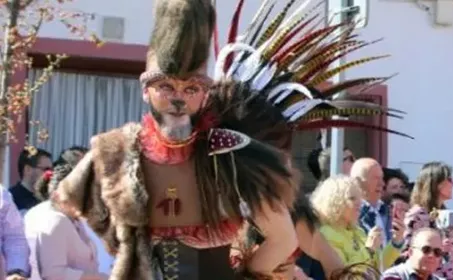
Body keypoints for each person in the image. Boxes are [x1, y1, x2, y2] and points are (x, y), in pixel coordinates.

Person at [52, 0, 406, 278]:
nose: (177, 98)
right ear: (146, 90)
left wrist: (254, 271)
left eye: (190, 88)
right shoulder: (115, 149)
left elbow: (286, 235)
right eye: (165, 87)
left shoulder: (229, 152)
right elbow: (66, 201)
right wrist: (121, 241)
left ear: (203, 94)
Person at [25, 151, 107, 280]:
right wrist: (100, 278)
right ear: (62, 194)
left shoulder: (70, 217)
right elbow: (53, 273)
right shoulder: (54, 220)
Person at [312, 176, 402, 270]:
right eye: (352, 198)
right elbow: (344, 274)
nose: (359, 203)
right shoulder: (326, 235)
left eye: (359, 198)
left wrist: (396, 242)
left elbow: (378, 267)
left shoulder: (358, 231)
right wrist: (369, 250)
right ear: (334, 202)